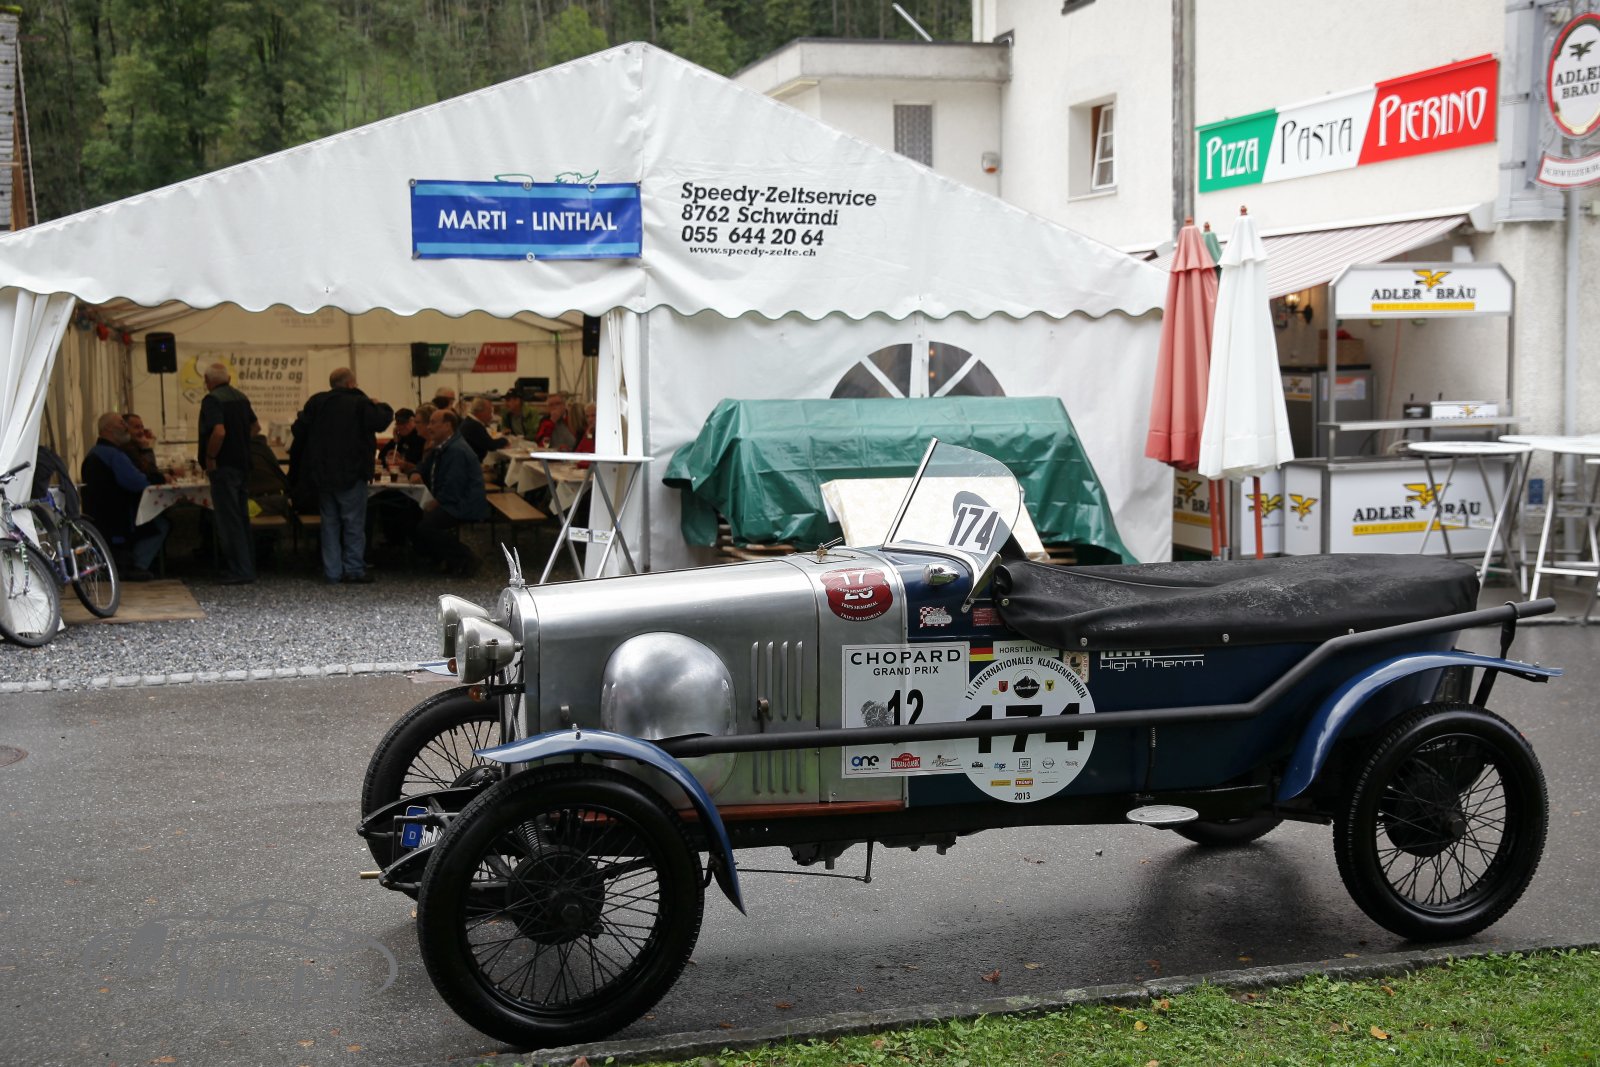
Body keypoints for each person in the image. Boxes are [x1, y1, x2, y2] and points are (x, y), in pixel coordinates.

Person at [292, 367, 394, 585]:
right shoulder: (360, 403)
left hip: (322, 473)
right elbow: (382, 420)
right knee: (353, 524)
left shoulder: (317, 402)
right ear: (351, 384)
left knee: (329, 524)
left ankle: (332, 571)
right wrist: (378, 404)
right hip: (352, 472)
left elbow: (298, 429)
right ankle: (354, 569)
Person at [81, 412, 166, 581]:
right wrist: (155, 479)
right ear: (108, 429)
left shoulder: (96, 452)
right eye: (121, 423)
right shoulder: (113, 455)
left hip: (102, 515)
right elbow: (137, 482)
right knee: (160, 524)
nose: (125, 427)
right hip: (118, 515)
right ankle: (137, 565)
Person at [198, 362, 258, 585]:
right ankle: (248, 565)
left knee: (228, 520)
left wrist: (211, 456)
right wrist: (240, 442)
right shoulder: (241, 397)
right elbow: (255, 427)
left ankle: (240, 570)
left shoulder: (212, 400)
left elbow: (219, 431)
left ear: (207, 381)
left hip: (224, 466)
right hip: (243, 464)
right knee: (241, 518)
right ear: (229, 379)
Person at [412, 410, 489, 577]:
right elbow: (424, 466)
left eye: (433, 423)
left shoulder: (457, 450)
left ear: (447, 426)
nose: (429, 427)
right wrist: (416, 472)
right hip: (454, 500)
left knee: (426, 526)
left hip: (464, 504)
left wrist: (435, 503)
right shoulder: (443, 446)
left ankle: (466, 558)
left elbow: (453, 486)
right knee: (413, 514)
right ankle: (441, 558)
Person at [459, 396, 510, 462]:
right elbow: (491, 445)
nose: (491, 416)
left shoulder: (469, 422)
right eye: (489, 412)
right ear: (480, 412)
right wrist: (504, 440)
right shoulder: (474, 426)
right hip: (470, 463)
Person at [378, 408, 425, 474]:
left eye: (404, 423)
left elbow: (412, 461)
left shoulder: (420, 438)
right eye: (398, 423)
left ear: (412, 421)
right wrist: (395, 441)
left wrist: (400, 459)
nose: (401, 426)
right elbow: (381, 456)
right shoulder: (401, 438)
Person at [122, 413, 165, 481]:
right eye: (136, 427)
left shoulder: (135, 447)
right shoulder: (127, 450)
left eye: (142, 427)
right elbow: (152, 474)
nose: (141, 431)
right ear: (125, 430)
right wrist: (146, 448)